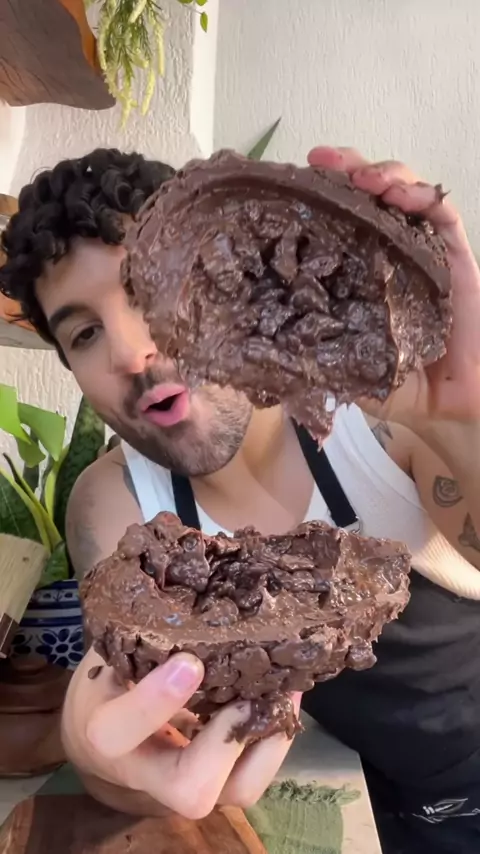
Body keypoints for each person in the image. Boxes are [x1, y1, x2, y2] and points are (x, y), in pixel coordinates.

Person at [1, 144, 480, 854]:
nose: (131, 352)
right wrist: (91, 747)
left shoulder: (374, 417)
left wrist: (463, 420)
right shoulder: (118, 504)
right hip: (392, 813)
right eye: (85, 332)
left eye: (148, 290)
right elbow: (132, 712)